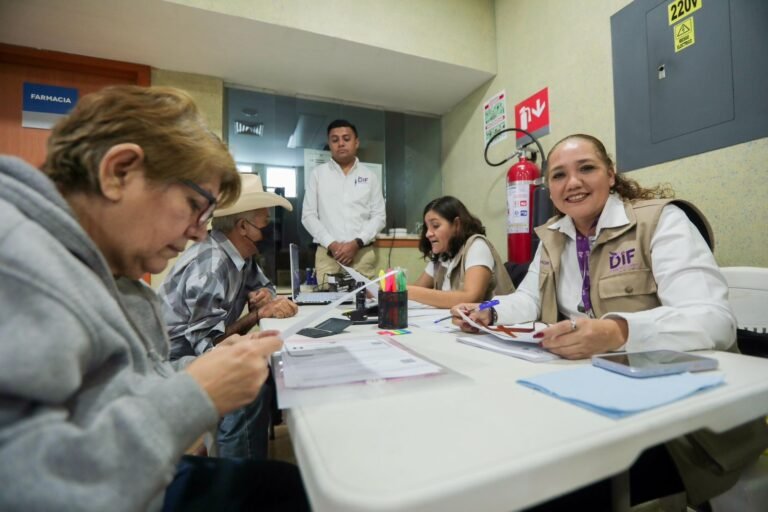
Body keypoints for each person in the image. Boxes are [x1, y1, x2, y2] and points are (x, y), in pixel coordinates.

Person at [0, 85, 308, 511]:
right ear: (119, 171)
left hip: (132, 472)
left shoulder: (109, 273)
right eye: (194, 205)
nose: (201, 231)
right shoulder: (16, 257)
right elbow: (26, 489)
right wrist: (197, 391)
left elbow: (129, 385)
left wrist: (202, 368)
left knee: (286, 487)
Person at [453, 133, 768, 508]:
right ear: (549, 191)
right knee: (506, 453)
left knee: (558, 483)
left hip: (676, 420)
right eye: (558, 175)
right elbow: (528, 299)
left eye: (586, 168)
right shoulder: (554, 237)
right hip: (586, 395)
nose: (572, 183)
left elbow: (714, 320)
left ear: (611, 174)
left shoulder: (661, 221)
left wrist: (618, 331)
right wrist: (491, 311)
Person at [158, 173, 299, 459]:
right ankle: (237, 476)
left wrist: (261, 296)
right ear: (243, 227)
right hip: (168, 361)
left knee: (264, 368)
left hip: (198, 349)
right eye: (264, 223)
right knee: (247, 380)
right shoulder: (209, 265)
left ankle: (232, 450)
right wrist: (257, 314)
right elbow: (209, 348)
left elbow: (266, 287)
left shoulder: (241, 256)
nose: (269, 229)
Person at [301, 119, 386, 285]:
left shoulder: (370, 176)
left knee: (365, 303)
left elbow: (379, 216)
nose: (341, 143)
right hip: (327, 255)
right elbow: (308, 216)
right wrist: (332, 244)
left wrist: (356, 243)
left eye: (346, 139)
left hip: (361, 254)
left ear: (356, 142)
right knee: (327, 303)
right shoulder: (318, 174)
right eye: (335, 140)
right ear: (330, 144)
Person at [408, 196, 514, 308]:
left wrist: (408, 291)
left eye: (435, 226)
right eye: (427, 227)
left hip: (496, 323)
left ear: (456, 225)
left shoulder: (477, 245)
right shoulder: (442, 253)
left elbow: (471, 298)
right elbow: (418, 289)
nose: (428, 234)